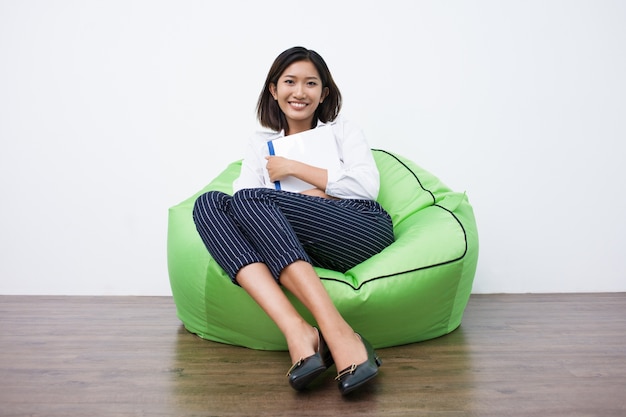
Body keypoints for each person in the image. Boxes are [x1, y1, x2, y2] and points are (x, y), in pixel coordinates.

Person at [192, 46, 395, 395]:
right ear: (274, 89)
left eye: (311, 84)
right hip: (299, 246)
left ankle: (340, 334)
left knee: (253, 198)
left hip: (359, 227)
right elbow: (244, 206)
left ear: (323, 93)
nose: (299, 92)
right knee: (209, 204)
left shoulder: (343, 130)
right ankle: (298, 331)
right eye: (289, 82)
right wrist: (301, 198)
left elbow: (365, 187)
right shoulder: (260, 145)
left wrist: (292, 170)